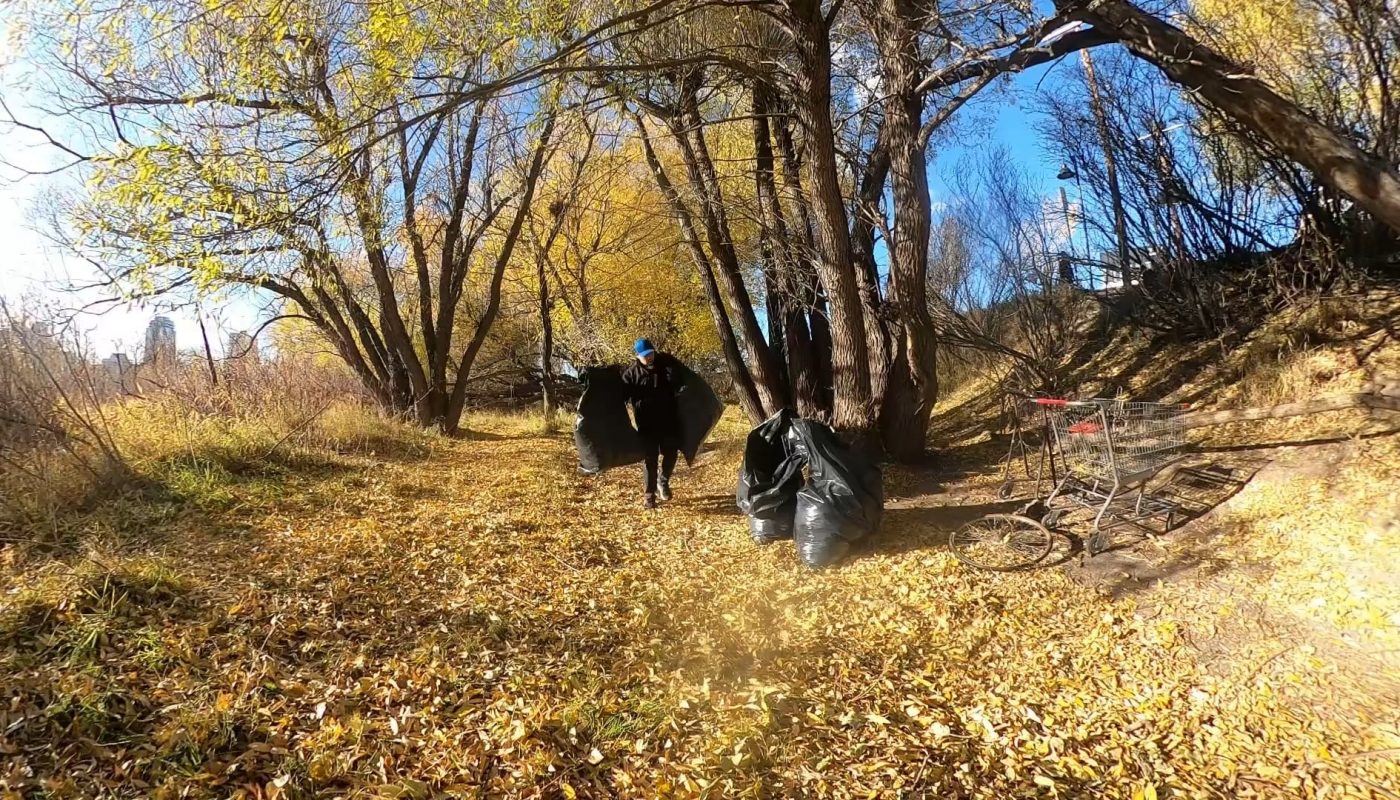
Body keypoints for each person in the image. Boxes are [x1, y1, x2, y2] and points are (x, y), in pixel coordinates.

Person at [622, 338, 683, 509]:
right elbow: (621, 397)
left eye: (651, 354)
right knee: (650, 459)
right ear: (637, 356)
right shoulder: (631, 374)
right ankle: (649, 495)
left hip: (668, 421)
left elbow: (679, 384)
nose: (649, 358)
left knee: (671, 453)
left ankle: (663, 482)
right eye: (645, 356)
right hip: (646, 424)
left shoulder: (665, 367)